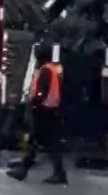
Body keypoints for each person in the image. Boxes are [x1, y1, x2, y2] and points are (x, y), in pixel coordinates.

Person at [7, 41, 68, 185]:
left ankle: (24, 170)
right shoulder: (56, 69)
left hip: (43, 110)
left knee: (37, 141)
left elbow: (42, 91)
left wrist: (33, 102)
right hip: (52, 110)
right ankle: (27, 170)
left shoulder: (46, 70)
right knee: (46, 143)